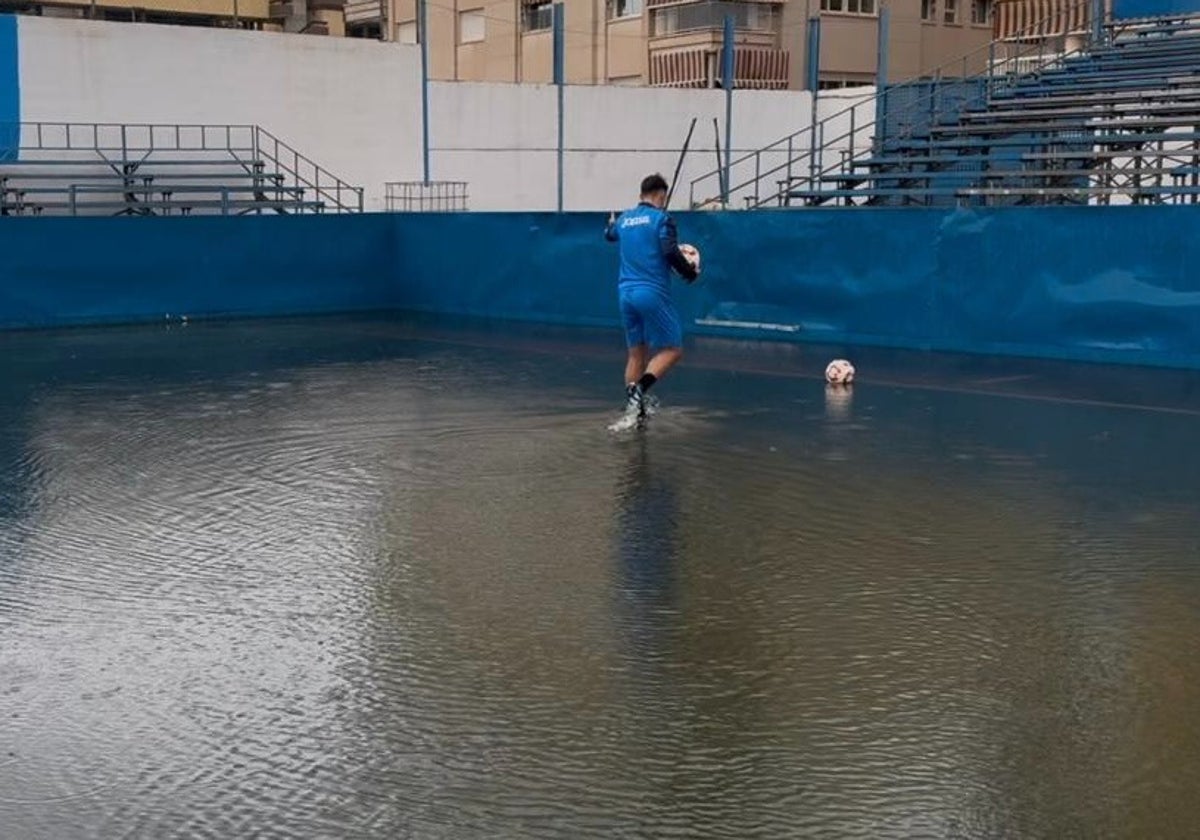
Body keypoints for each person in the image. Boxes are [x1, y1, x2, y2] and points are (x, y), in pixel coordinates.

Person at [604, 173, 699, 425]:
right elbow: (669, 250)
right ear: (661, 196)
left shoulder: (624, 219)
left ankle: (632, 410)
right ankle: (639, 392)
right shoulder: (662, 219)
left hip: (625, 294)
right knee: (673, 349)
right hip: (651, 292)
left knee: (636, 354)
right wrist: (688, 271)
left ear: (641, 195)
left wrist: (609, 223)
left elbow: (609, 234)